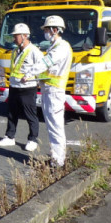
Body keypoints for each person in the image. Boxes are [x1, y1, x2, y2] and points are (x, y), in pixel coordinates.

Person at [22, 15, 72, 167]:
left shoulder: (61, 47)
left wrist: (29, 73)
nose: (45, 32)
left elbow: (46, 63)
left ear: (55, 30)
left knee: (55, 127)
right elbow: (48, 69)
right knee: (52, 126)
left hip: (54, 92)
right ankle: (56, 158)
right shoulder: (55, 47)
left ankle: (58, 161)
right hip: (49, 90)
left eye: (47, 30)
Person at [0, 23, 44, 152]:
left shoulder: (34, 51)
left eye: (16, 36)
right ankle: (10, 136)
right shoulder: (15, 50)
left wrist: (30, 76)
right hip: (14, 86)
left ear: (24, 36)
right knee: (12, 113)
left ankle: (32, 139)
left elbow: (42, 67)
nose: (14, 38)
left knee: (30, 114)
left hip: (27, 87)